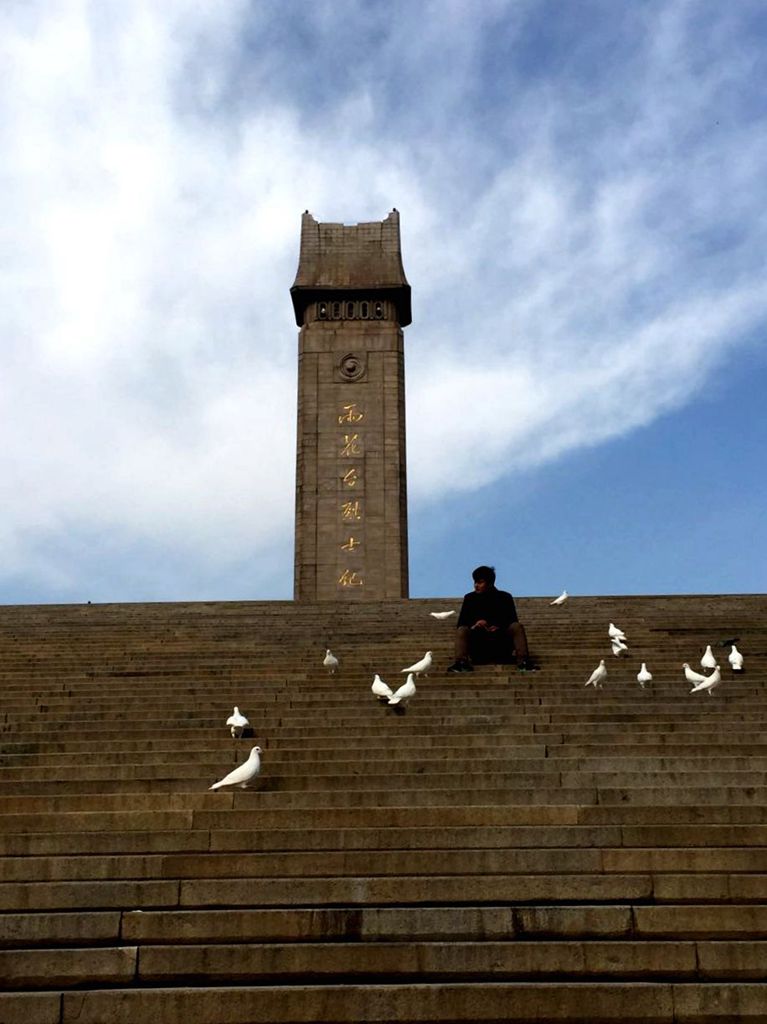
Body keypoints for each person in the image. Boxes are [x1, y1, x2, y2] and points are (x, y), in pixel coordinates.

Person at [447, 565, 538, 674]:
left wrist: (496, 626)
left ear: (490, 583)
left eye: (480, 582)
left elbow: (512, 620)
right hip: (479, 645)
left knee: (516, 627)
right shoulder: (469, 598)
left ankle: (523, 662)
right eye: (475, 582)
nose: (476, 586)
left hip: (500, 644)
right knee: (462, 630)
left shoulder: (505, 597)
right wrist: (475, 625)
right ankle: (461, 663)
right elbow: (461, 623)